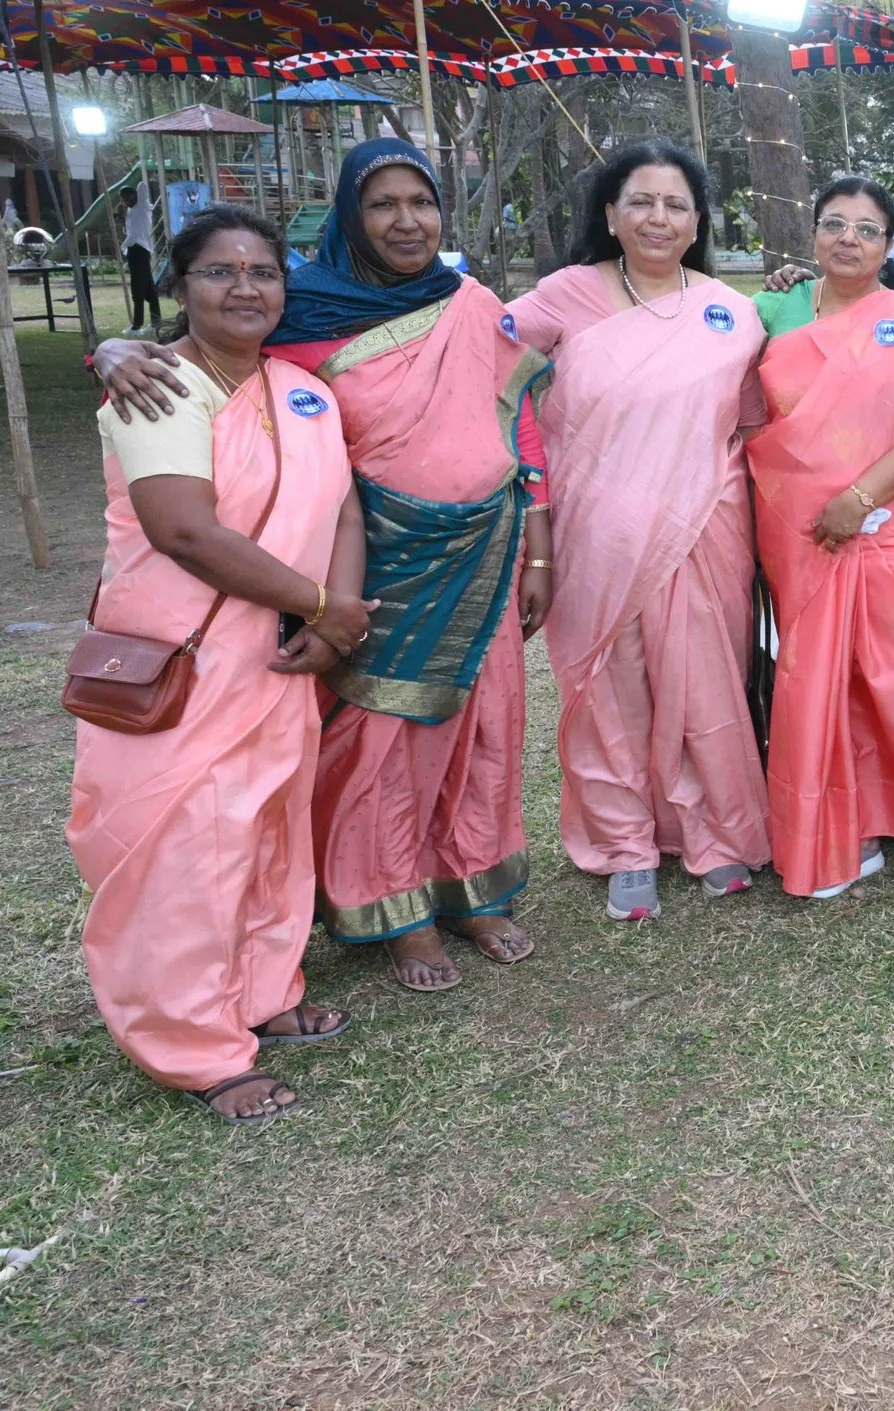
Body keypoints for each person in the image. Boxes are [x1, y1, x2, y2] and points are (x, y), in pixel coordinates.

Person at [94, 139, 551, 993]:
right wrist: (112, 346)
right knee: (383, 739)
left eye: (422, 201)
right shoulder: (298, 309)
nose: (407, 221)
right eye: (383, 204)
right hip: (376, 564)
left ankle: (473, 885)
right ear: (349, 214)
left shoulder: (472, 303)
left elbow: (518, 419)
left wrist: (542, 544)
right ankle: (395, 906)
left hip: (489, 550)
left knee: (482, 724)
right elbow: (206, 343)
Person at [69, 205, 370, 1124]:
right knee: (187, 856)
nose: (245, 287)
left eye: (263, 271)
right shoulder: (158, 385)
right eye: (219, 271)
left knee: (271, 834)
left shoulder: (303, 390)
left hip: (279, 658)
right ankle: (193, 1046)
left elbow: (343, 509)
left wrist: (336, 616)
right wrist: (319, 604)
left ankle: (265, 995)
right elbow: (185, 532)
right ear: (180, 285)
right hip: (186, 659)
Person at [507, 141, 770, 921]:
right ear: (611, 214)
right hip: (597, 531)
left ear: (698, 221)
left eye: (676, 204)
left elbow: (750, 422)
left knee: (706, 680)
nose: (659, 217)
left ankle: (716, 831)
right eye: (642, 202)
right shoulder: (563, 296)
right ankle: (625, 842)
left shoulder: (732, 311)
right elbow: (478, 376)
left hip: (705, 528)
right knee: (610, 688)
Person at [748, 177, 894, 899]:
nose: (849, 239)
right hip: (802, 528)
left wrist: (860, 498)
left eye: (868, 229)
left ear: (891, 245)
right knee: (821, 677)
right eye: (834, 223)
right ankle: (847, 824)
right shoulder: (772, 310)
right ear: (812, 235)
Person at [123, 183, 160, 334]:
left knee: (137, 289)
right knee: (149, 290)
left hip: (140, 250)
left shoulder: (142, 206)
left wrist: (138, 190)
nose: (127, 201)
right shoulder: (130, 211)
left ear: (136, 195)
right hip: (134, 250)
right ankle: (156, 322)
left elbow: (143, 186)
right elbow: (131, 232)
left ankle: (136, 326)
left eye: (129, 197)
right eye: (124, 199)